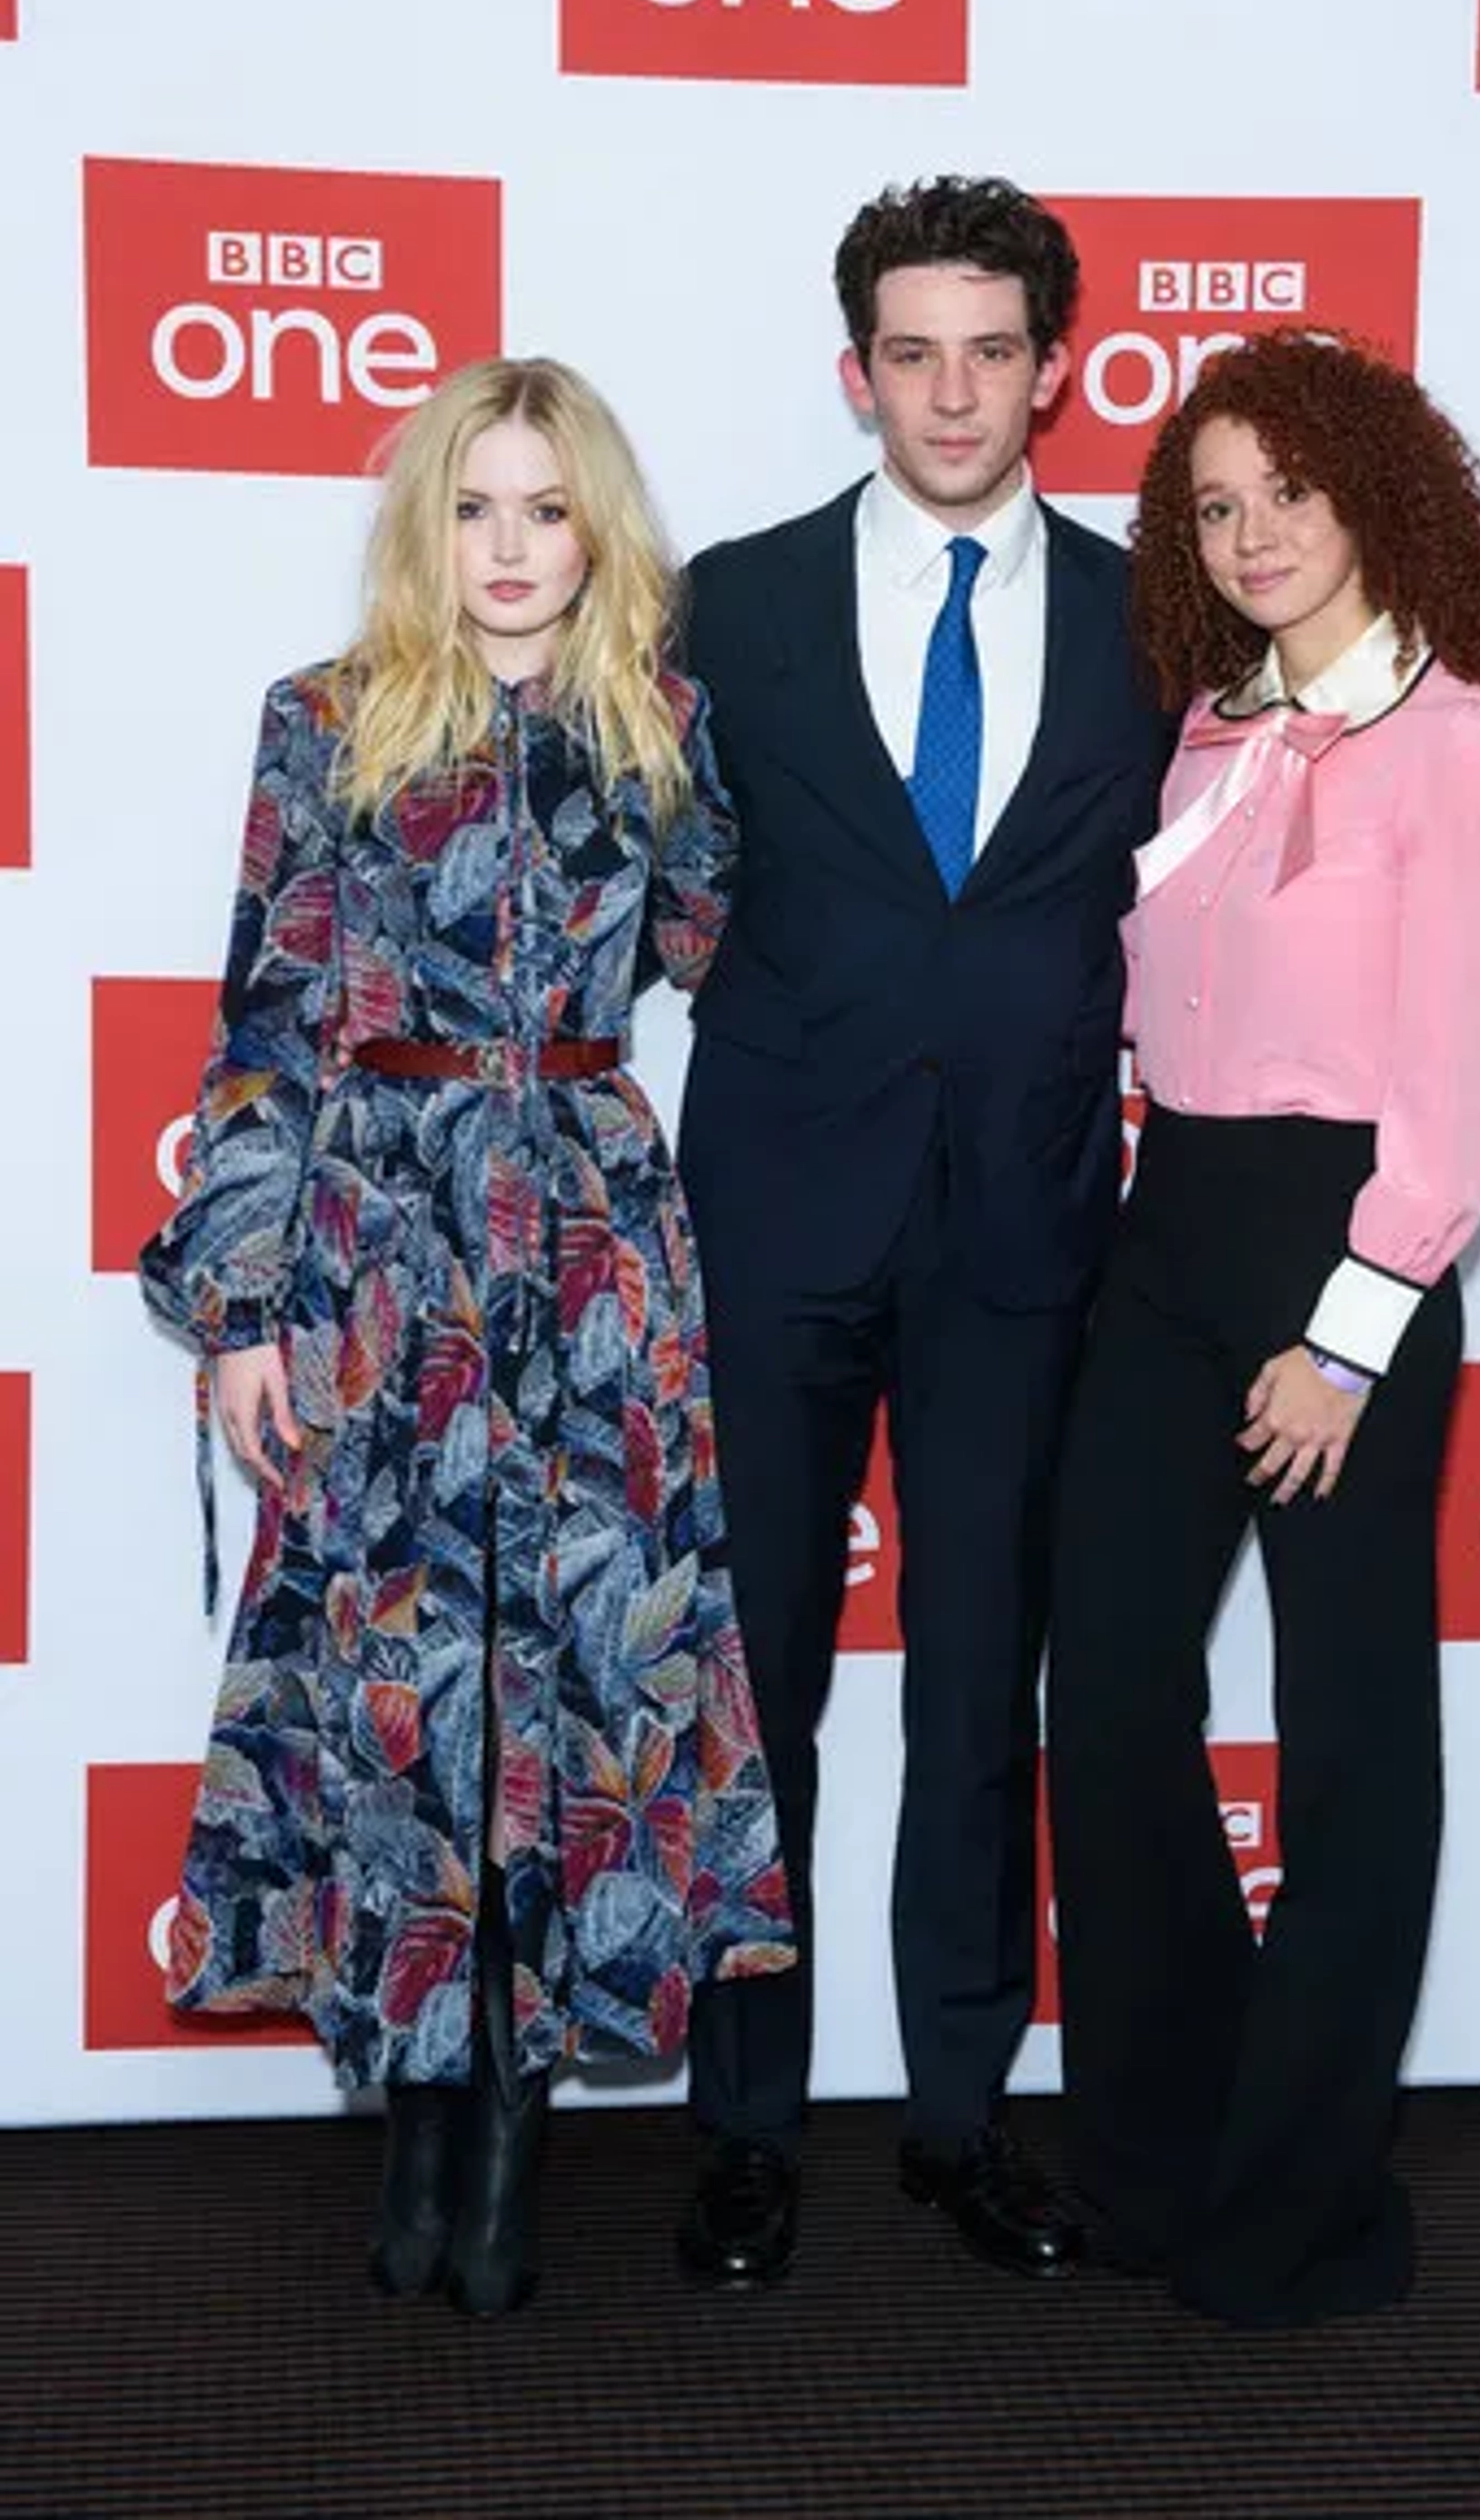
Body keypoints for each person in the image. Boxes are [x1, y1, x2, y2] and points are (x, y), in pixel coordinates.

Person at [138, 355, 793, 2318]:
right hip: (382, 1244)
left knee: (566, 1690)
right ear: (431, 525)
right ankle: (413, 2100)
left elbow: (714, 950)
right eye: (475, 508)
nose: (510, 547)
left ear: (599, 533)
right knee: (400, 1687)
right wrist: (241, 1307)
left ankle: (506, 2113)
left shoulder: (666, 730)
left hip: (593, 1250)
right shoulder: (323, 724)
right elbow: (261, 1029)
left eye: (548, 509)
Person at [673, 175, 1172, 2287]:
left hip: (1028, 1222)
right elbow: (653, 887)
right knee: (755, 1678)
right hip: (779, 1201)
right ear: (854, 365)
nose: (952, 390)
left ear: (1057, 368)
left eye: (994, 348)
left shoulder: (1164, 614)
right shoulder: (732, 599)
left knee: (982, 1684)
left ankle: (962, 2119)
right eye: (913, 348)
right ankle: (746, 2128)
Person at [1047, 329, 1480, 2327]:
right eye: (1215, 504)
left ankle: (1307, 2193)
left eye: (1288, 493)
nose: (1251, 533)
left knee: (1347, 1735)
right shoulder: (1205, 734)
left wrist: (1344, 1336)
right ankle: (1171, 2151)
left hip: (1357, 1248)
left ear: (1375, 493)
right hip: (1174, 1236)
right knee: (1114, 1687)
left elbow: (1452, 1086)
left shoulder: (1463, 745)